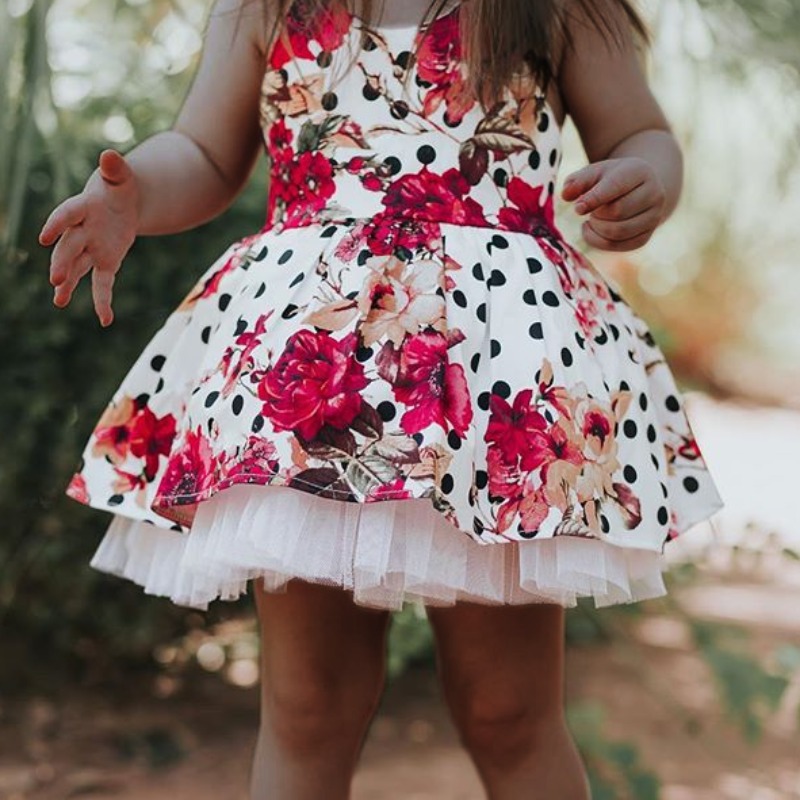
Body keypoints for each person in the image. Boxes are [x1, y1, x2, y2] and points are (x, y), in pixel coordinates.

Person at [39, 0, 726, 796]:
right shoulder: (266, 7)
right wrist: (137, 196)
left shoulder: (554, 7)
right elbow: (201, 150)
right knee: (309, 709)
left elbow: (642, 133)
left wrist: (649, 177)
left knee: (508, 709)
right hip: (316, 373)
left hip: (490, 380)